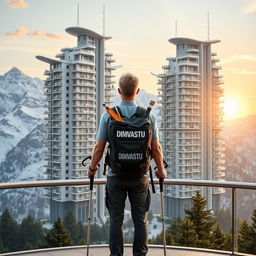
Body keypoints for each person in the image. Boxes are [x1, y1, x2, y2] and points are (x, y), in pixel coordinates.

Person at [87, 72, 167, 256]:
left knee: (115, 219)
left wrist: (92, 169)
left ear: (119, 90)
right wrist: (161, 171)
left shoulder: (109, 115)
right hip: (140, 177)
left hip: (116, 176)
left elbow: (99, 147)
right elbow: (156, 148)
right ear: (137, 91)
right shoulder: (148, 116)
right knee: (141, 219)